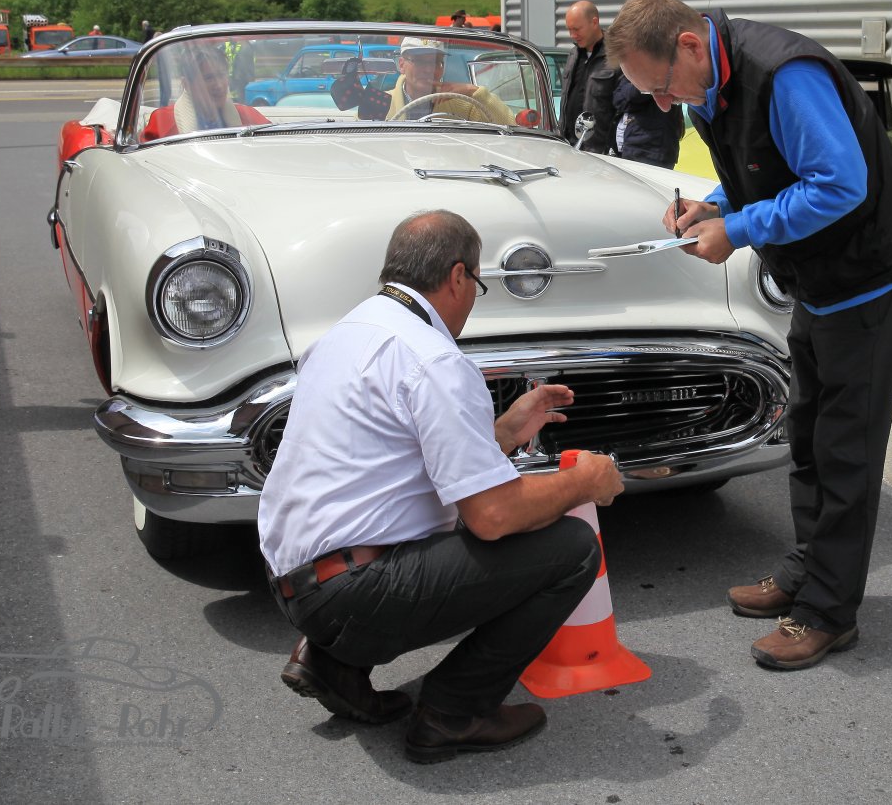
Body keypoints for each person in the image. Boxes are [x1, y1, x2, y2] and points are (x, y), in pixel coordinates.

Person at [606, 0, 892, 670]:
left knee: (845, 445)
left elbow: (837, 185)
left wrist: (737, 229)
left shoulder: (786, 74)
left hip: (867, 272)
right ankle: (807, 568)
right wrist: (714, 204)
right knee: (807, 430)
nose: (663, 105)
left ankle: (828, 611)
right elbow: (763, 167)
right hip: (819, 274)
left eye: (661, 87)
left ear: (689, 45)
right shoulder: (711, 76)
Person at [257, 210, 623, 763]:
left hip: (291, 580)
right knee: (571, 549)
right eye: (476, 283)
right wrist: (584, 481)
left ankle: (332, 662)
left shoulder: (348, 332)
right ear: (457, 276)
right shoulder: (434, 359)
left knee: (428, 526)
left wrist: (503, 433)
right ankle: (453, 713)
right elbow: (493, 516)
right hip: (351, 592)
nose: (473, 299)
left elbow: (398, 465)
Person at [141, 44, 269, 141]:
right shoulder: (162, 123)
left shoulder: (249, 117)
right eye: (209, 78)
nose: (219, 85)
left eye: (221, 75)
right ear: (187, 84)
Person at [381, 36, 514, 124]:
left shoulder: (463, 105)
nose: (429, 69)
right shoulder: (381, 102)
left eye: (436, 62)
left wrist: (473, 90)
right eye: (420, 61)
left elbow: (510, 127)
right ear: (401, 65)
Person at [558, 0, 621, 152]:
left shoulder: (615, 56)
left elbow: (622, 106)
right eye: (569, 30)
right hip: (568, 145)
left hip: (598, 149)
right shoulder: (573, 55)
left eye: (577, 29)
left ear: (594, 22)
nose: (573, 35)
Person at [611, 79, 682, 168]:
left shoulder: (656, 75)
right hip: (639, 144)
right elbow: (619, 100)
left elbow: (627, 98)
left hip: (649, 147)